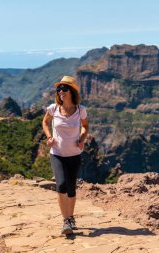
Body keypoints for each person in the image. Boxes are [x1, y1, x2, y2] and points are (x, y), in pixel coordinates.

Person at [42, 75, 89, 235]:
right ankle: (66, 221)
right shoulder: (53, 108)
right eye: (59, 89)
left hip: (74, 154)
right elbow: (45, 122)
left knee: (71, 189)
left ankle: (71, 216)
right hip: (57, 154)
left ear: (72, 92)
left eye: (64, 89)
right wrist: (49, 137)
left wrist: (82, 139)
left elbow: (85, 126)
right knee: (61, 186)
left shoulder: (80, 110)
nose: (61, 91)